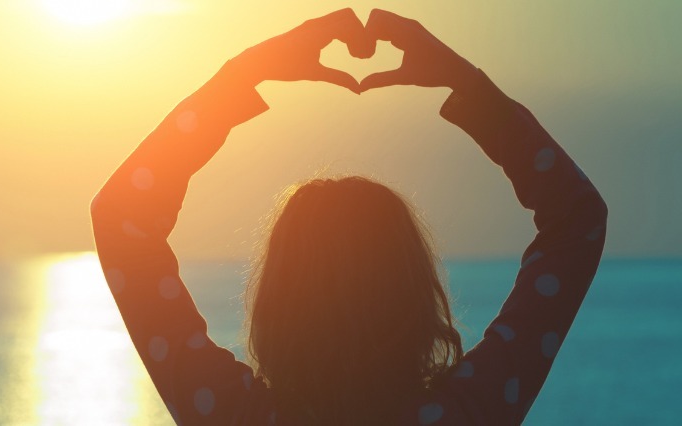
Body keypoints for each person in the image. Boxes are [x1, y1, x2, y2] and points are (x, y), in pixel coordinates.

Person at [89, 8, 608, 425]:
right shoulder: (470, 412)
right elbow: (577, 219)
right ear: (413, 294)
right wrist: (465, 86)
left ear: (276, 302)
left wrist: (241, 78)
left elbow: (122, 216)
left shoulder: (231, 414)